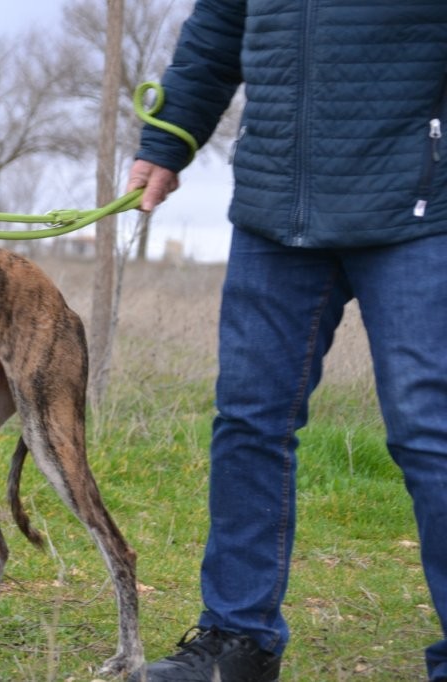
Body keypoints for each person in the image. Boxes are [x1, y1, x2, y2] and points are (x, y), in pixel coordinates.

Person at [125, 1, 447, 680]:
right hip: (275, 207)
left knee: (429, 430)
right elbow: (217, 29)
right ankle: (237, 641)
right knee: (248, 422)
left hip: (417, 208)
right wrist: (168, 137)